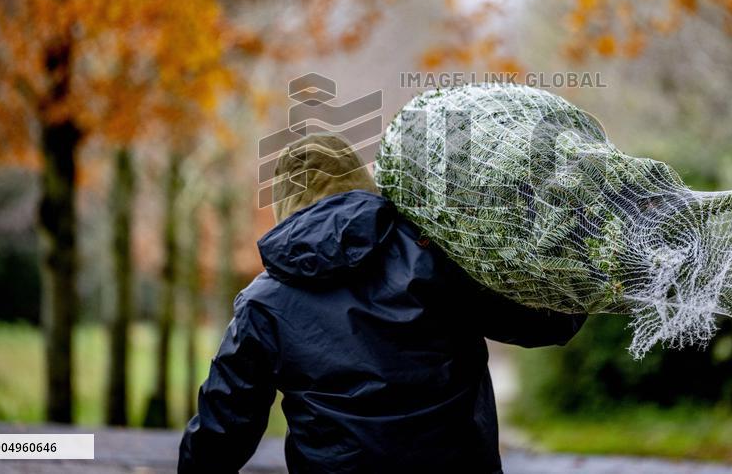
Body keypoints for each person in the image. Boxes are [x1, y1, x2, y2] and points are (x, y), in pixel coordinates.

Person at [178, 132, 585, 473]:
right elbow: (548, 324)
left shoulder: (264, 302)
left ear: (285, 207)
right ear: (362, 182)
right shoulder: (439, 259)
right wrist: (571, 243)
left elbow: (223, 429)